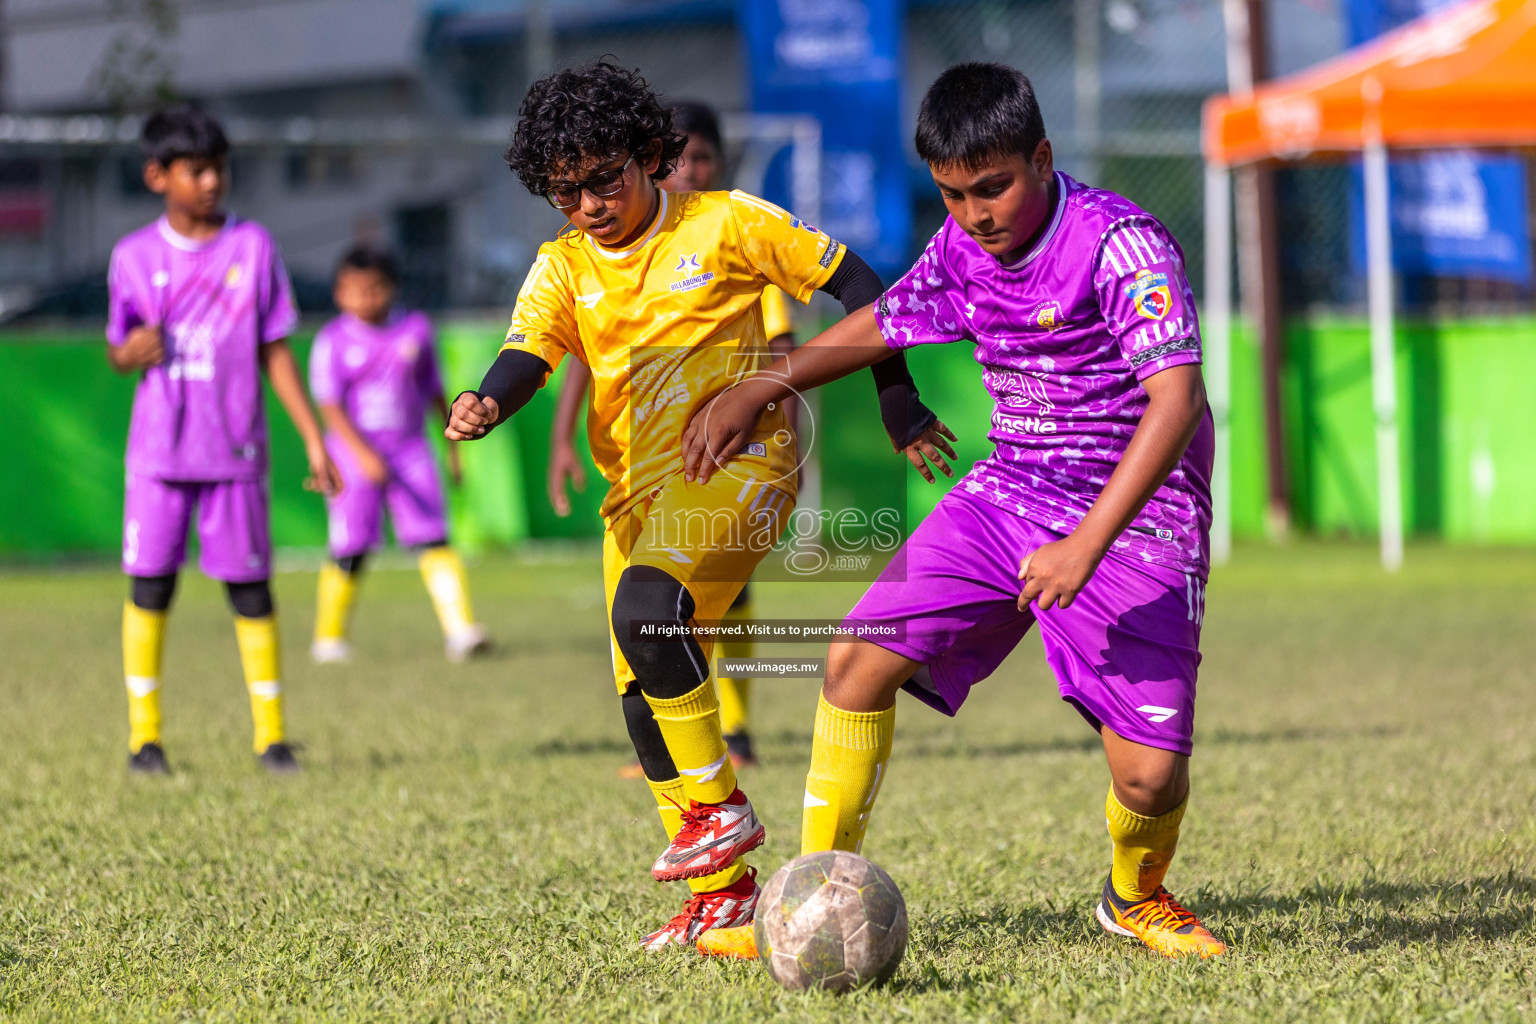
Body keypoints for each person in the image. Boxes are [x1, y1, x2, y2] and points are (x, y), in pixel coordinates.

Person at [686, 62, 1226, 960]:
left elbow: (1176, 403)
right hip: (1011, 488)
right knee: (855, 662)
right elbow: (887, 319)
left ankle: (1136, 896)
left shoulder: (1121, 243)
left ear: (1042, 159)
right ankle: (812, 902)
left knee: (1151, 773)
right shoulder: (961, 245)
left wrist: (1087, 547)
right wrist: (764, 384)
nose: (976, 213)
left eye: (994, 186)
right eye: (952, 194)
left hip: (1138, 516)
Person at [446, 60, 951, 950]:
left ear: (649, 154)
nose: (592, 203)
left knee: (646, 613)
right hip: (635, 495)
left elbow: (865, 284)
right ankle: (723, 898)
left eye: (606, 177)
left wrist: (896, 400)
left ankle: (720, 811)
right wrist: (489, 399)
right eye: (569, 192)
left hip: (746, 462)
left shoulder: (726, 223)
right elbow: (530, 350)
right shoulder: (560, 266)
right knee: (641, 696)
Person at [548, 100, 798, 772]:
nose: (690, 171)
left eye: (703, 161)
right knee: (655, 622)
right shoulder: (597, 259)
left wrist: (783, 442)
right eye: (681, 159)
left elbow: (783, 351)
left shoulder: (736, 240)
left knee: (711, 602)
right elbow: (583, 356)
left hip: (731, 465)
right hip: (642, 478)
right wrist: (563, 440)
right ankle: (697, 774)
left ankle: (736, 731)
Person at [107, 104, 340, 776]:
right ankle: (144, 739)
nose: (211, 182)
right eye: (196, 170)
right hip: (158, 456)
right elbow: (117, 351)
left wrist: (313, 437)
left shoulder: (253, 248)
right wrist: (132, 352)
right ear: (159, 176)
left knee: (251, 590)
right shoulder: (132, 256)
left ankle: (272, 737)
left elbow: (275, 351)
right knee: (150, 587)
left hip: (234, 454)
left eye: (219, 169)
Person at [308, 246, 490, 664]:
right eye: (354, 291)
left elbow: (435, 391)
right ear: (339, 293)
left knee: (433, 538)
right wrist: (362, 455)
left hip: (410, 451)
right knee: (351, 545)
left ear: (392, 288)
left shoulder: (416, 330)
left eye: (374, 289)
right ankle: (330, 637)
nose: (365, 299)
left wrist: (453, 449)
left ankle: (461, 631)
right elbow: (329, 405)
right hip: (353, 455)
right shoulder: (331, 340)